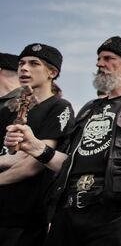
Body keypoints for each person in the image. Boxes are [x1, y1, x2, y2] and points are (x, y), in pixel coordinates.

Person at [5, 36, 121, 246]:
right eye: (98, 59)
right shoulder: (89, 108)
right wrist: (34, 146)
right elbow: (68, 163)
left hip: (117, 215)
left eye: (108, 58)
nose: (99, 64)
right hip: (70, 212)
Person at [0, 43, 74, 246]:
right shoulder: (8, 108)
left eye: (34, 64)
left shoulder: (59, 107)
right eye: (21, 63)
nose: (24, 68)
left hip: (25, 218)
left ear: (52, 72)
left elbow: (32, 164)